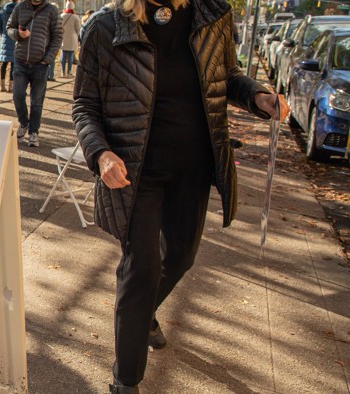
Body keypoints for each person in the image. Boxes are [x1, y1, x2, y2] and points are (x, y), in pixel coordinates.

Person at [72, 0, 289, 391]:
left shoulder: (212, 16)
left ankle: (145, 314)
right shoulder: (106, 26)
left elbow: (228, 76)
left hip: (194, 167)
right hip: (134, 173)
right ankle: (125, 381)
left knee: (181, 257)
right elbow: (85, 105)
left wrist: (258, 96)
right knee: (142, 268)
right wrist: (100, 153)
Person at [7, 0, 62, 148]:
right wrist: (18, 34)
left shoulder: (51, 10)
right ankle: (24, 122)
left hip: (40, 63)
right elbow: (9, 28)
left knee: (37, 102)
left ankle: (34, 132)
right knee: (18, 95)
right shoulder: (20, 7)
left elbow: (57, 36)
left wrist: (48, 59)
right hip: (20, 61)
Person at [0, 0, 17, 92]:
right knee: (14, 64)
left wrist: (4, 33)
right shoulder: (19, 10)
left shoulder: (4, 10)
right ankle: (11, 86)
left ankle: (2, 85)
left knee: (4, 63)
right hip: (15, 38)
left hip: (5, 37)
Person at [59, 2, 81, 77]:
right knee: (71, 55)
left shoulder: (61, 16)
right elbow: (78, 29)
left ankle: (62, 71)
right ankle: (69, 72)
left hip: (63, 37)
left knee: (63, 55)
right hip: (72, 38)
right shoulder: (75, 17)